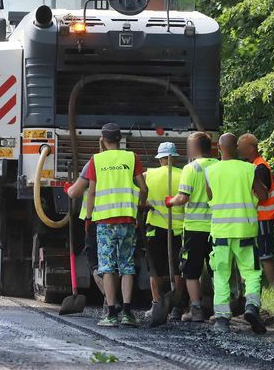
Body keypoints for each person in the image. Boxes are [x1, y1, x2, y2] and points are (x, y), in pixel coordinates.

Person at [84, 123, 148, 327]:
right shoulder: (132, 157)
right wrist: (138, 208)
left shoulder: (97, 160)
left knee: (107, 267)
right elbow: (143, 187)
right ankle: (128, 313)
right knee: (127, 264)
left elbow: (92, 191)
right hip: (128, 219)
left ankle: (111, 314)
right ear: (120, 139)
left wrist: (88, 215)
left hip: (104, 221)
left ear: (102, 140)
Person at [204, 133, 268, 333]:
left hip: (221, 232)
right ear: (236, 148)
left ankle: (222, 319)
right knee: (251, 272)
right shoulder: (249, 169)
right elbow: (263, 195)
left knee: (221, 274)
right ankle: (251, 307)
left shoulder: (210, 171)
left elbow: (210, 196)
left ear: (220, 148)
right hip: (245, 231)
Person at [165, 132, 217, 322]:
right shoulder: (219, 166)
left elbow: (183, 197)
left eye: (188, 146)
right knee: (217, 269)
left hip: (195, 228)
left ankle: (196, 309)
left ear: (195, 148)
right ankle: (220, 308)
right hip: (216, 227)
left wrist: (170, 201)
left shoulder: (191, 168)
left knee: (191, 270)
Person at [143, 142, 186, 326]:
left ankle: (156, 304)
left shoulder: (149, 175)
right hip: (179, 227)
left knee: (155, 268)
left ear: (160, 158)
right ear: (174, 158)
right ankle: (177, 305)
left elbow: (141, 198)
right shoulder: (184, 174)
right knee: (178, 268)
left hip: (155, 227)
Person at [65, 160, 109, 314]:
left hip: (96, 219)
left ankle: (110, 300)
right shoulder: (128, 160)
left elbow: (75, 192)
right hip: (122, 219)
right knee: (118, 263)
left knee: (95, 262)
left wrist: (69, 189)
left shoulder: (94, 163)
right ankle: (123, 304)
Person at [238, 133, 274, 287]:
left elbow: (262, 194)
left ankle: (273, 287)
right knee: (258, 254)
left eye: (241, 147)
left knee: (265, 255)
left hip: (263, 217)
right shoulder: (254, 165)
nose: (239, 151)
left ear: (251, 148)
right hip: (257, 217)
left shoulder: (260, 167)